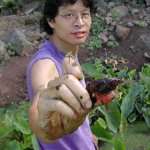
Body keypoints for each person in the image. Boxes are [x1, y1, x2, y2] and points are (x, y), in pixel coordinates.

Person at [27, 0, 114, 149]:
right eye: (69, 15)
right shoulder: (45, 63)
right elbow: (40, 102)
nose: (79, 22)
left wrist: (89, 137)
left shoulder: (69, 53)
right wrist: (46, 129)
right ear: (51, 21)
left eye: (85, 14)